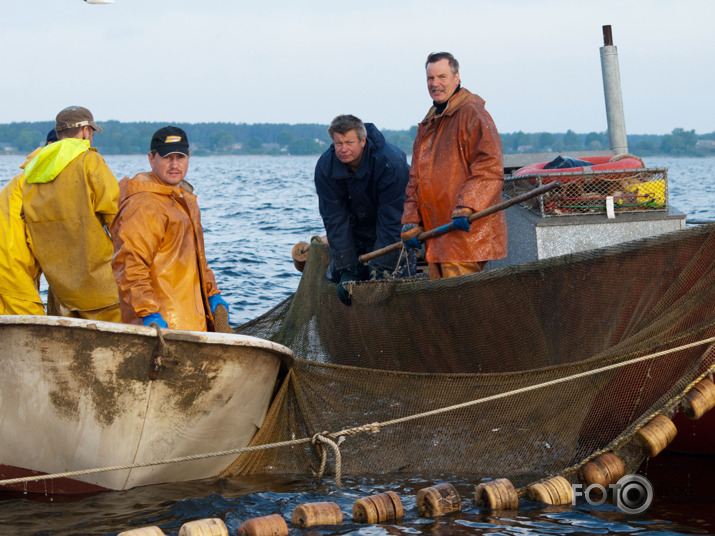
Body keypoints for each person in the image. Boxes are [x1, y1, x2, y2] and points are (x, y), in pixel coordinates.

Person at [111, 126, 229, 331]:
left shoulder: (182, 199)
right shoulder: (144, 204)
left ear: (189, 157)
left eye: (180, 157)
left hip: (192, 323)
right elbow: (130, 264)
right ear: (151, 158)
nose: (175, 165)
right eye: (167, 158)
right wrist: (148, 312)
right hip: (161, 329)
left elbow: (197, 258)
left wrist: (211, 292)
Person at [401, 52, 507, 279]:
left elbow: (489, 166)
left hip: (465, 236)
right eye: (430, 78)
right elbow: (415, 179)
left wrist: (468, 205)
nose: (435, 84)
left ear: (456, 77)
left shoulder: (472, 113)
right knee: (444, 307)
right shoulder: (428, 123)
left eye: (441, 77)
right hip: (435, 237)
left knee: (462, 306)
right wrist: (410, 221)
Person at [22, 108, 121, 321]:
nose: (91, 136)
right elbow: (118, 221)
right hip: (103, 292)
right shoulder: (90, 162)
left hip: (62, 292)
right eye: (92, 132)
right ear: (85, 131)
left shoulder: (33, 172)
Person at [314, 114, 413, 305]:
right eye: (338, 143)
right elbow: (335, 219)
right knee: (340, 279)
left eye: (349, 142)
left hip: (395, 226)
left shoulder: (390, 163)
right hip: (357, 228)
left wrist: (381, 268)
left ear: (363, 141)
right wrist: (347, 268)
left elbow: (393, 220)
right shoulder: (326, 167)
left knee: (388, 279)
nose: (343, 149)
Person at [0, 129, 57, 315]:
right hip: (11, 270)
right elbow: (41, 241)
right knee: (36, 329)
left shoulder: (22, 179)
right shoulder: (37, 182)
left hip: (13, 269)